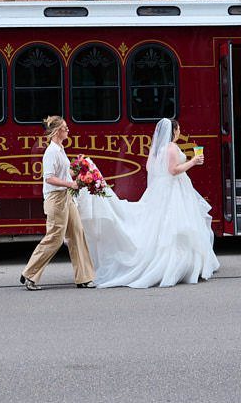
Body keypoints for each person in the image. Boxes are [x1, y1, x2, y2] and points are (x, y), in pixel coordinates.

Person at [77, 117, 219, 287]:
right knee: (176, 226)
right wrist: (193, 162)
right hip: (174, 189)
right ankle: (177, 265)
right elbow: (173, 171)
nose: (180, 131)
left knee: (157, 225)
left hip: (159, 189)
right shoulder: (172, 147)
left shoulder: (156, 149)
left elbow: (148, 168)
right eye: (179, 129)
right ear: (173, 131)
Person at [19, 116, 96, 290]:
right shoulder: (51, 152)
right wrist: (71, 183)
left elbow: (63, 173)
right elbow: (49, 178)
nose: (68, 130)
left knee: (77, 233)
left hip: (66, 197)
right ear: (57, 131)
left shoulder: (60, 149)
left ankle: (84, 277)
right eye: (65, 128)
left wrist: (79, 166)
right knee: (55, 237)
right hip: (56, 199)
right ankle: (30, 274)